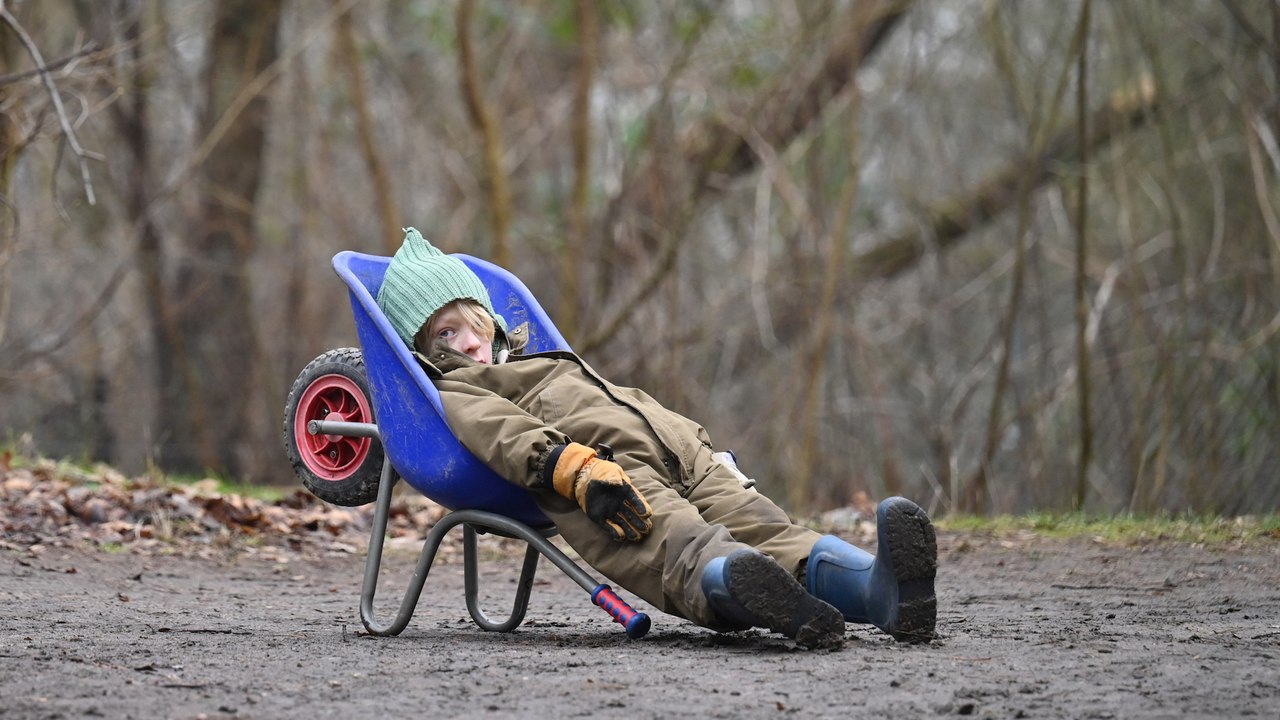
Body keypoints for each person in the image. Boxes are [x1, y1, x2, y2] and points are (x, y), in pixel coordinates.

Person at [376, 228, 938, 649]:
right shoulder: (456, 392)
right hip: (609, 473)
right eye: (444, 335)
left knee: (772, 528)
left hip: (686, 456)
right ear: (423, 351)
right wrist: (575, 468)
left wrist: (701, 447)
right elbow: (506, 434)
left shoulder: (536, 357)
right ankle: (752, 591)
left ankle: (881, 592)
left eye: (470, 323)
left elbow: (624, 402)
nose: (467, 343)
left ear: (489, 319)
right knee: (678, 542)